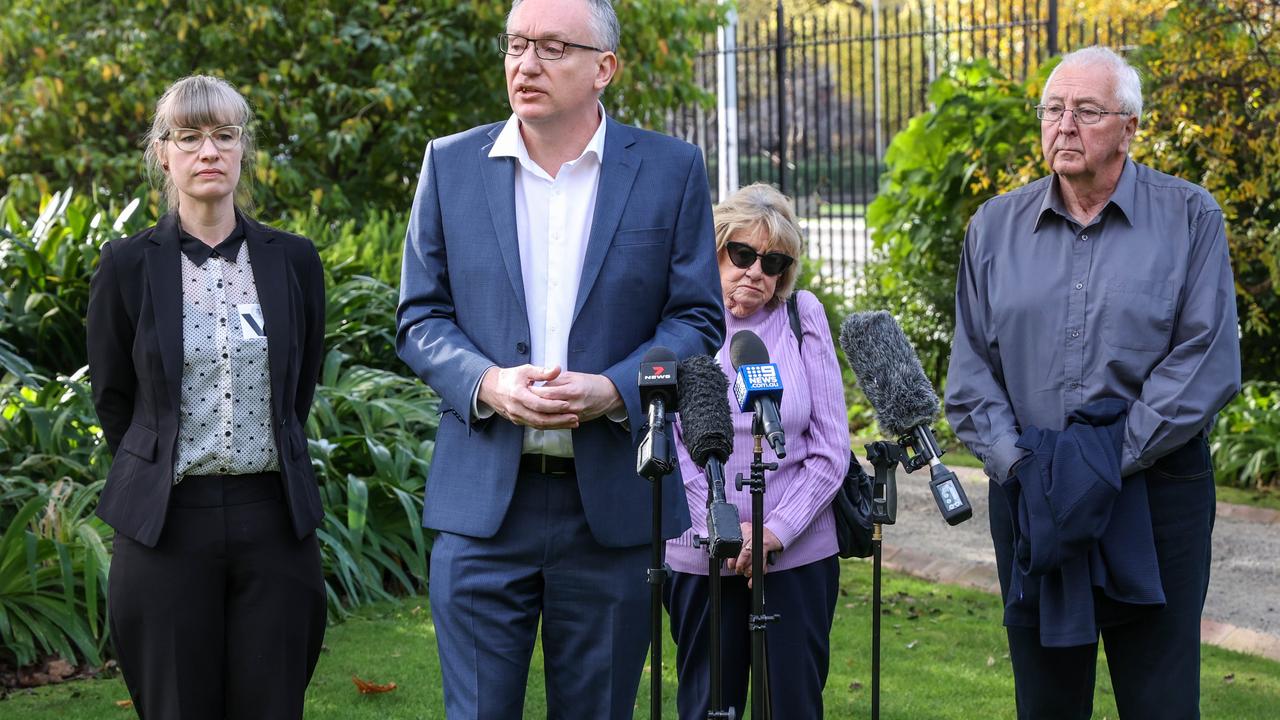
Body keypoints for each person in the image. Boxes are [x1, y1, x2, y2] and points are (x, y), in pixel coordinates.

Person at [394, 0, 725, 716]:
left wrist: (615, 388)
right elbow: (420, 317)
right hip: (483, 508)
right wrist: (486, 381)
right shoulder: (450, 165)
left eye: (551, 47)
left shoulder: (670, 170)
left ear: (604, 67)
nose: (525, 63)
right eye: (516, 44)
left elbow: (698, 316)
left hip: (611, 509)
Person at [945, 46, 1240, 719]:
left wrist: (1103, 460)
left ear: (1130, 127)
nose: (1065, 125)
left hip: (1155, 493)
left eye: (1087, 111)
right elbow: (969, 372)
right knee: (1045, 701)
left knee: (1160, 701)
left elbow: (1205, 361)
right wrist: (1019, 463)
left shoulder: (1191, 218)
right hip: (1032, 491)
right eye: (1054, 109)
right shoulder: (994, 228)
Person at [86, 75, 327, 719]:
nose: (208, 151)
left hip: (273, 518)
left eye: (224, 135)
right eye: (189, 137)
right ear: (163, 154)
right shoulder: (126, 265)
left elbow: (298, 387)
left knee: (273, 705)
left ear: (243, 149)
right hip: (166, 524)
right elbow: (114, 394)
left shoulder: (293, 260)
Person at [663, 183, 849, 720]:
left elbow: (831, 446)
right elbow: (670, 441)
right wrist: (725, 530)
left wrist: (772, 532)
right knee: (708, 707)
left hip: (797, 551)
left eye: (772, 262)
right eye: (741, 254)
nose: (755, 272)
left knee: (792, 706)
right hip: (700, 551)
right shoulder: (682, 321)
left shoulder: (801, 315)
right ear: (714, 250)